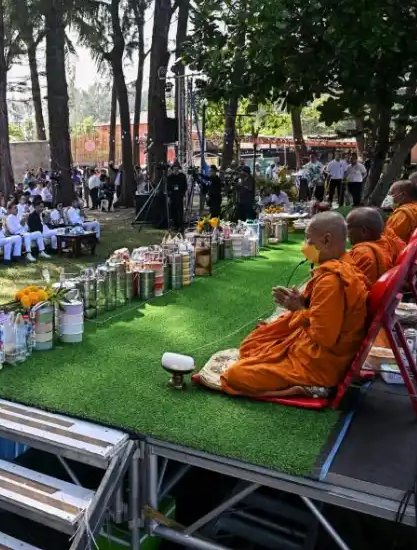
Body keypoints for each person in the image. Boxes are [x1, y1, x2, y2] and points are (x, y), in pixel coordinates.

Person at [217, 212, 368, 397]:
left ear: (326, 240)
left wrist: (297, 309)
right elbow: (326, 312)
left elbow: (324, 338)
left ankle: (310, 387)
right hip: (310, 349)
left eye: (308, 240)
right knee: (253, 344)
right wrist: (303, 301)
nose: (305, 247)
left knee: (236, 375)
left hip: (319, 364)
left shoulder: (331, 281)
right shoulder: (345, 264)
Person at [345, 207, 399, 289]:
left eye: (348, 227)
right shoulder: (386, 242)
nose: (346, 232)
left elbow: (346, 286)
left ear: (363, 231)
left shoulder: (362, 253)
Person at [166, 163, 188, 231]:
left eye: (177, 168)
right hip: (173, 196)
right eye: (174, 168)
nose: (175, 170)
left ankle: (181, 225)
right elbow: (168, 187)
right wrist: (169, 195)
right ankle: (175, 225)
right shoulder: (170, 177)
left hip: (180, 195)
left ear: (178, 168)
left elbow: (185, 186)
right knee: (173, 211)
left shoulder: (182, 176)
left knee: (180, 211)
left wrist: (183, 194)